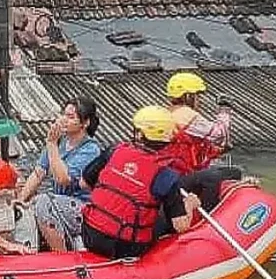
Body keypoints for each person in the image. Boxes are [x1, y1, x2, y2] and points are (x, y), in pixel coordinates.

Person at [80, 106, 201, 260]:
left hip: (90, 234)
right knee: (161, 218)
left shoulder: (114, 151)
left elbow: (84, 183)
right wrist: (190, 204)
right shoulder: (167, 175)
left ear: (139, 133)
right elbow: (180, 226)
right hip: (126, 247)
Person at [17, 97, 101, 251]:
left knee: (42, 202)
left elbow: (63, 179)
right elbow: (38, 173)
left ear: (85, 122)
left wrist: (51, 145)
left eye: (71, 117)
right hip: (59, 204)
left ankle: (62, 255)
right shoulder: (59, 143)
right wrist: (20, 201)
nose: (64, 120)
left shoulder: (90, 150)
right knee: (26, 207)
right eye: (64, 115)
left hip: (81, 208)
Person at [162, 71, 243, 212]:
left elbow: (190, 148)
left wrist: (218, 151)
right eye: (198, 96)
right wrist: (224, 111)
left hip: (173, 173)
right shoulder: (187, 115)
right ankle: (208, 212)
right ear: (188, 96)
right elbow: (219, 134)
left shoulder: (168, 112)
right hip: (179, 177)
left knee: (226, 172)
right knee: (221, 175)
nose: (200, 100)